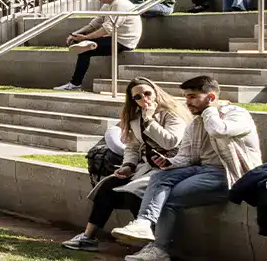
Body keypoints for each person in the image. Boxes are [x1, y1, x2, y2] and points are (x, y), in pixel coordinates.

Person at [111, 74, 262, 261]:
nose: (187, 102)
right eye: (186, 97)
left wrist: (210, 110)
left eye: (192, 97)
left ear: (211, 97)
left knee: (168, 197)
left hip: (231, 175)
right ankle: (143, 223)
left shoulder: (237, 114)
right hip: (203, 170)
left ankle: (159, 249)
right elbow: (186, 157)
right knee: (159, 177)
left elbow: (218, 130)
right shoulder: (196, 123)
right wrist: (170, 163)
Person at [63, 78, 188, 250]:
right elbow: (132, 146)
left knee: (135, 192)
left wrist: (149, 120)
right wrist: (129, 165)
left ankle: (155, 246)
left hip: (171, 166)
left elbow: (170, 142)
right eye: (137, 97)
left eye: (147, 93)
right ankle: (88, 237)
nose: (144, 99)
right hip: (146, 167)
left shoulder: (171, 113)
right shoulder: (135, 116)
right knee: (108, 186)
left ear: (155, 92)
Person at [57, 0, 141, 92]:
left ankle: (75, 84)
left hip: (124, 42)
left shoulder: (120, 5)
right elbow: (95, 24)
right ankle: (75, 83)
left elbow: (107, 29)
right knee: (83, 46)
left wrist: (86, 38)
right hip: (114, 38)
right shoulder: (107, 5)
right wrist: (74, 34)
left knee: (85, 50)